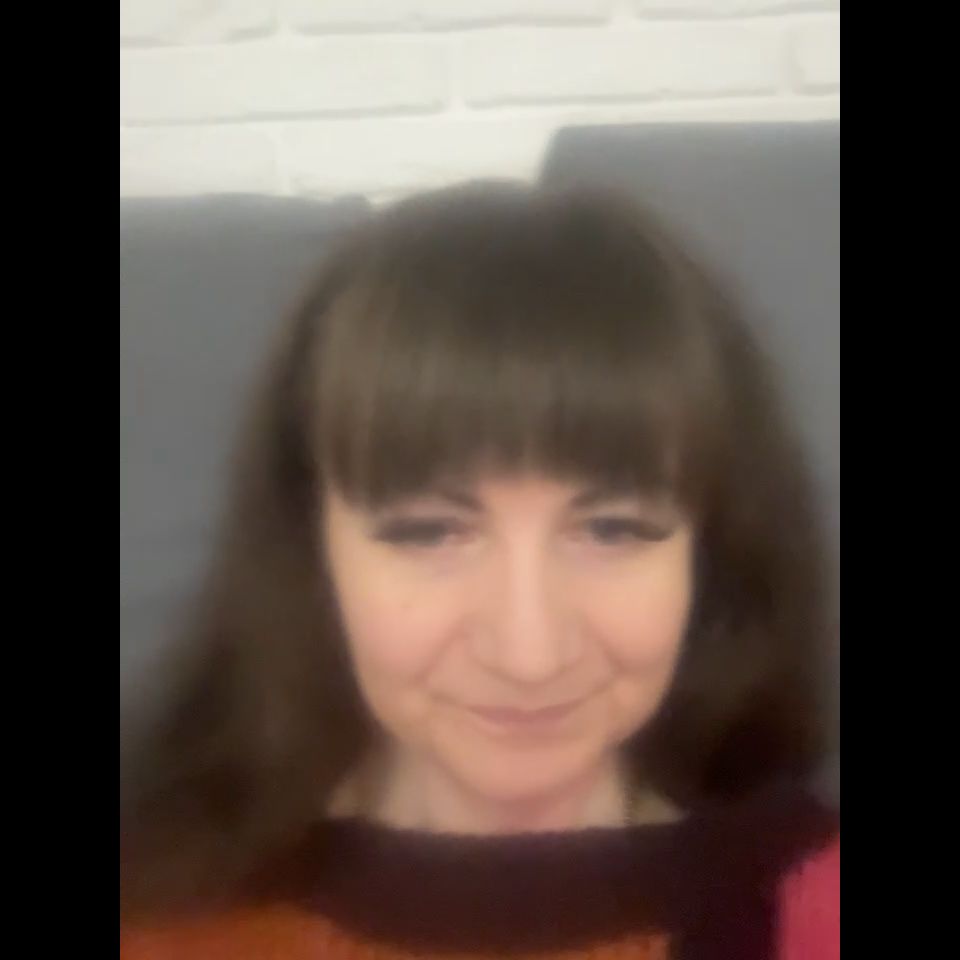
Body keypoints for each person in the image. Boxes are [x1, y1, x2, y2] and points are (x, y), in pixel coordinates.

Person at [120, 181, 840, 959]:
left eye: (612, 529)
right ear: (312, 550)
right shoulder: (161, 913)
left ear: (708, 555)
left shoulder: (806, 909)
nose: (529, 655)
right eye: (430, 533)